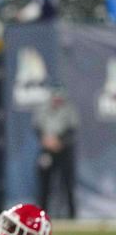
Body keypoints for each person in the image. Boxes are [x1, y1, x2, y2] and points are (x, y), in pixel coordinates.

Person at [32, 84, 79, 218]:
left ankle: (72, 215)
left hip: (64, 151)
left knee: (68, 183)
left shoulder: (69, 110)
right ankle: (41, 214)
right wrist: (46, 139)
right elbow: (37, 128)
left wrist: (59, 141)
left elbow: (72, 130)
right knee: (44, 183)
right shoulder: (43, 109)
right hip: (47, 150)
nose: (57, 99)